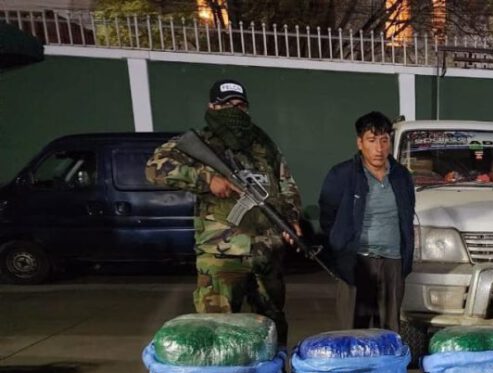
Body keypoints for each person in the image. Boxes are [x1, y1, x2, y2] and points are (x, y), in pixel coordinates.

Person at [146, 79, 301, 346]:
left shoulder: (263, 145)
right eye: (227, 104)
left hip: (266, 251)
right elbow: (155, 168)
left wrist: (292, 218)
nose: (235, 110)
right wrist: (207, 180)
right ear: (212, 106)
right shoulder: (201, 142)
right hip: (222, 256)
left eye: (241, 105)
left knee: (272, 326)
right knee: (218, 330)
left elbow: (286, 184)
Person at [318, 111, 415, 332]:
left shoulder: (402, 176)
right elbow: (328, 217)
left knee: (389, 333)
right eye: (372, 141)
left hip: (393, 263)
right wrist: (340, 253)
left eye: (384, 140)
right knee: (353, 333)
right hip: (357, 263)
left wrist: (404, 261)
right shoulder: (342, 174)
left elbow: (407, 217)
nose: (379, 148)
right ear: (360, 143)